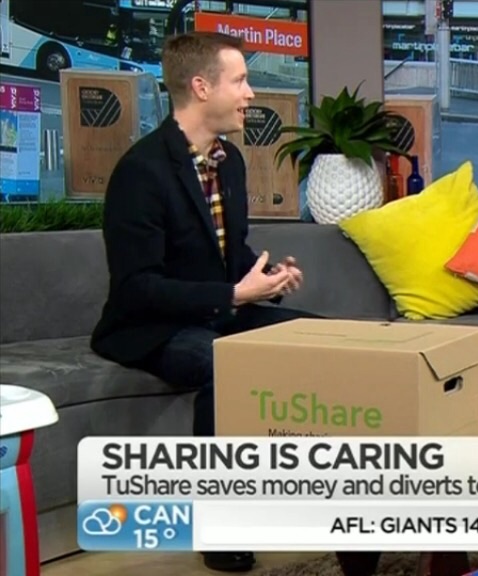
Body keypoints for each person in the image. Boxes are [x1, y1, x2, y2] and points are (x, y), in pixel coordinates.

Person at [90, 31, 318, 572]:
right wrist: (235, 293)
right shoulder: (141, 172)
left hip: (218, 310)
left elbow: (228, 251)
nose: (250, 94)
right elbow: (137, 286)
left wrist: (264, 276)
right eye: (240, 81)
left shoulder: (229, 161)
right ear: (200, 87)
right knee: (228, 365)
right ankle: (219, 526)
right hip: (151, 326)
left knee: (319, 338)